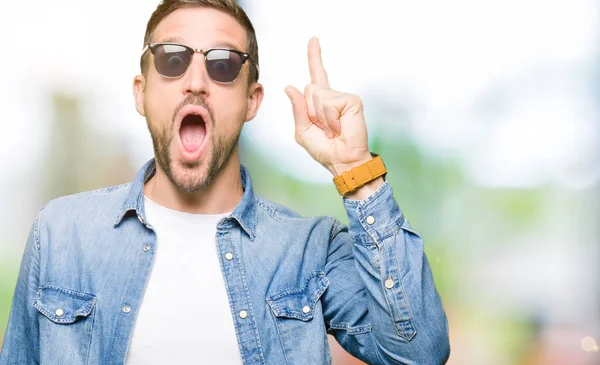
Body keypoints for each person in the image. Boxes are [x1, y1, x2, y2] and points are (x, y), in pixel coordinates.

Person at [0, 0, 450, 364]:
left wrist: (357, 172)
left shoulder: (310, 249)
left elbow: (419, 353)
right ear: (141, 91)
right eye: (172, 59)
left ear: (252, 99)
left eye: (223, 64)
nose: (196, 81)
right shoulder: (60, 233)